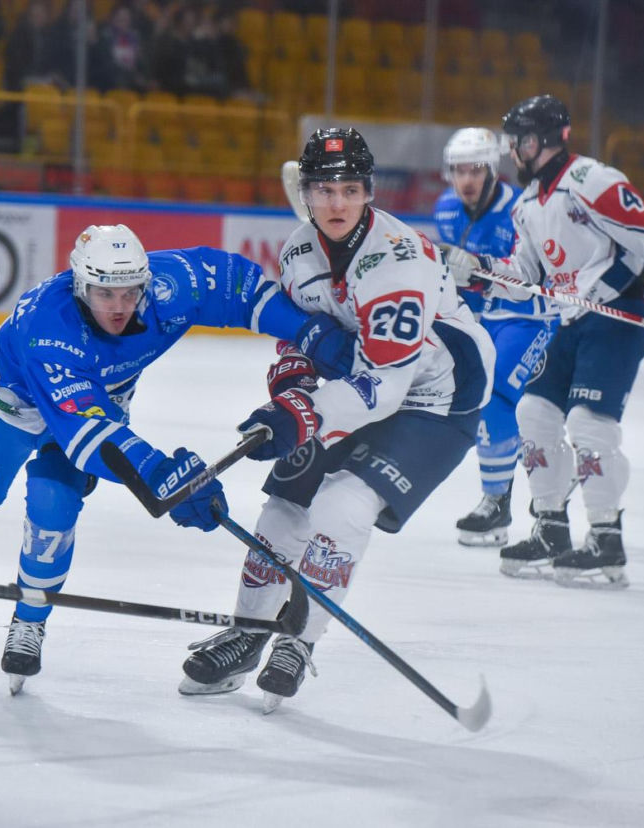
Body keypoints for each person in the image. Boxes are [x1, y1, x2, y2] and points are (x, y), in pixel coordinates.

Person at [0, 224, 356, 695]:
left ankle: (29, 620)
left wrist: (307, 330)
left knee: (54, 503)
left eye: (130, 292)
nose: (119, 307)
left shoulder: (169, 285)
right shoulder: (49, 329)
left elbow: (235, 286)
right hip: (11, 405)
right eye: (104, 294)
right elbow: (85, 432)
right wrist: (160, 473)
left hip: (96, 401)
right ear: (80, 287)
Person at [177, 127, 495, 711]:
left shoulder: (397, 262)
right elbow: (300, 338)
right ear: (307, 194)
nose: (337, 203)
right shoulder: (299, 252)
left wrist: (303, 415)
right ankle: (248, 634)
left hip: (437, 398)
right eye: (324, 190)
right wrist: (293, 390)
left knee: (343, 506)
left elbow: (387, 387)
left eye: (350, 189)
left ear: (369, 192)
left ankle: (299, 641)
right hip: (361, 385)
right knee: (285, 503)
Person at [442, 95, 644, 589]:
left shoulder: (591, 180)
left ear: (541, 141)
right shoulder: (529, 204)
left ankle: (606, 539)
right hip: (573, 319)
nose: (513, 151)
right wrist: (480, 271)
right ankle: (551, 528)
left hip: (618, 315)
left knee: (588, 423)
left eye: (518, 142)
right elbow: (525, 276)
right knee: (533, 412)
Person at [433, 127, 559, 547]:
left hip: (530, 317)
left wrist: (478, 269)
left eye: (475, 169)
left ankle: (499, 503)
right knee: (479, 401)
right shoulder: (446, 209)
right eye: (458, 170)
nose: (466, 179)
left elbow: (535, 276)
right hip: (484, 318)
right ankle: (548, 481)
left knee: (496, 398)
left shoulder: (521, 209)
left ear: (491, 171)